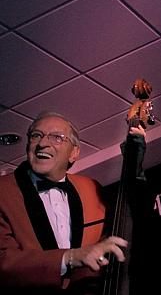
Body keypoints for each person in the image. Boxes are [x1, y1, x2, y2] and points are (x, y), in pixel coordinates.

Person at [0, 112, 144, 294]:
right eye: (36, 135)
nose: (43, 143)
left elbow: (125, 229)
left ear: (74, 153)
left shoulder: (90, 187)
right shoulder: (2, 191)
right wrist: (69, 257)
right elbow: (3, 261)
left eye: (57, 138)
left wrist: (134, 168)